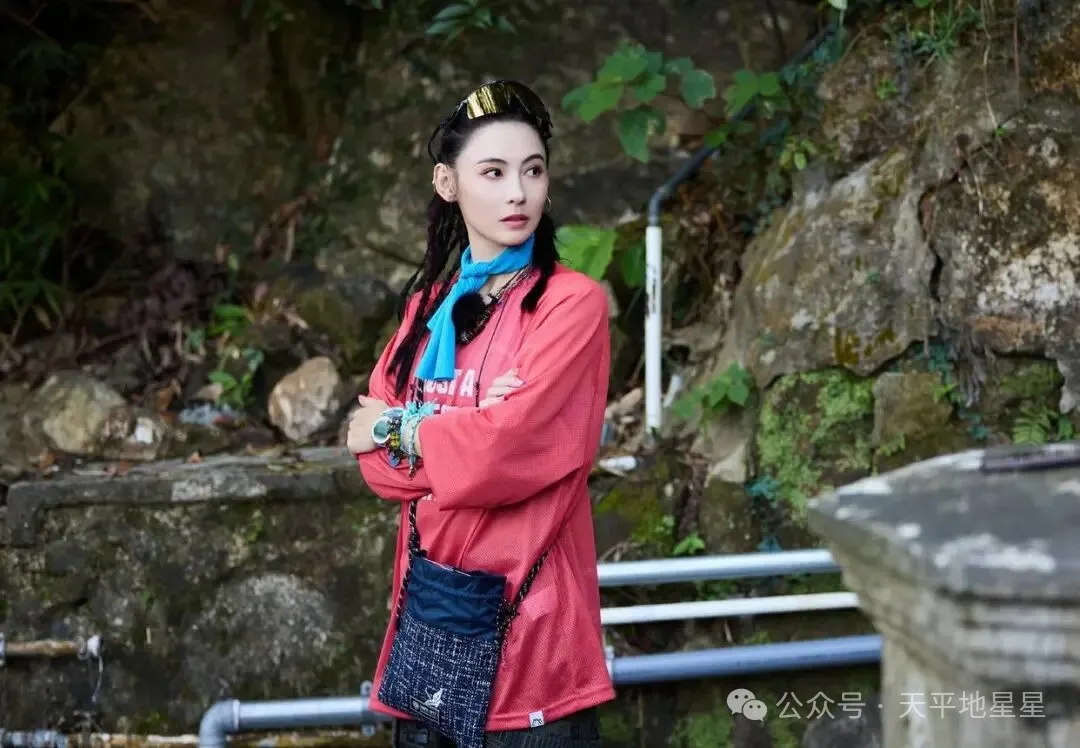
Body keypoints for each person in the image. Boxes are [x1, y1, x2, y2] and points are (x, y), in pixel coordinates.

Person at [346, 80, 614, 748]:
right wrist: (473, 435)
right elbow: (378, 470)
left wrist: (404, 428)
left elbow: (501, 453)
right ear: (448, 183)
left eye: (533, 170)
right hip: (432, 643)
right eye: (493, 172)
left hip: (538, 655)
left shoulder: (569, 305)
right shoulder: (425, 312)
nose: (518, 193)